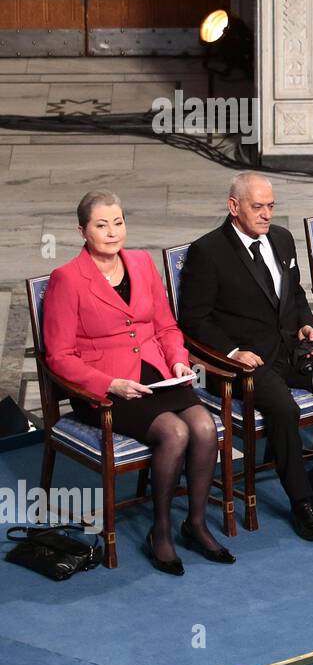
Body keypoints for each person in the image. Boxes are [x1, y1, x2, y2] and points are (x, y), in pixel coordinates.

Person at [43, 191, 232, 575]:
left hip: (157, 374)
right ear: (82, 230)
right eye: (101, 225)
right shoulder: (67, 279)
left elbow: (165, 326)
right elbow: (59, 357)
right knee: (176, 432)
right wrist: (109, 383)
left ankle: (194, 524)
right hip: (106, 388)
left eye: (118, 222)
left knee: (205, 427)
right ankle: (159, 531)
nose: (112, 232)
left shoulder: (143, 263)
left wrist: (179, 362)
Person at [178, 173, 313, 543]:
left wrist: (306, 324)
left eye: (271, 206)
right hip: (244, 362)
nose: (266, 214)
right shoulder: (208, 252)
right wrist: (233, 353)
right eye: (257, 206)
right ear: (234, 207)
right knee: (285, 411)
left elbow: (293, 293)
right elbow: (193, 321)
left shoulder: (280, 238)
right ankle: (301, 502)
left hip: (291, 349)